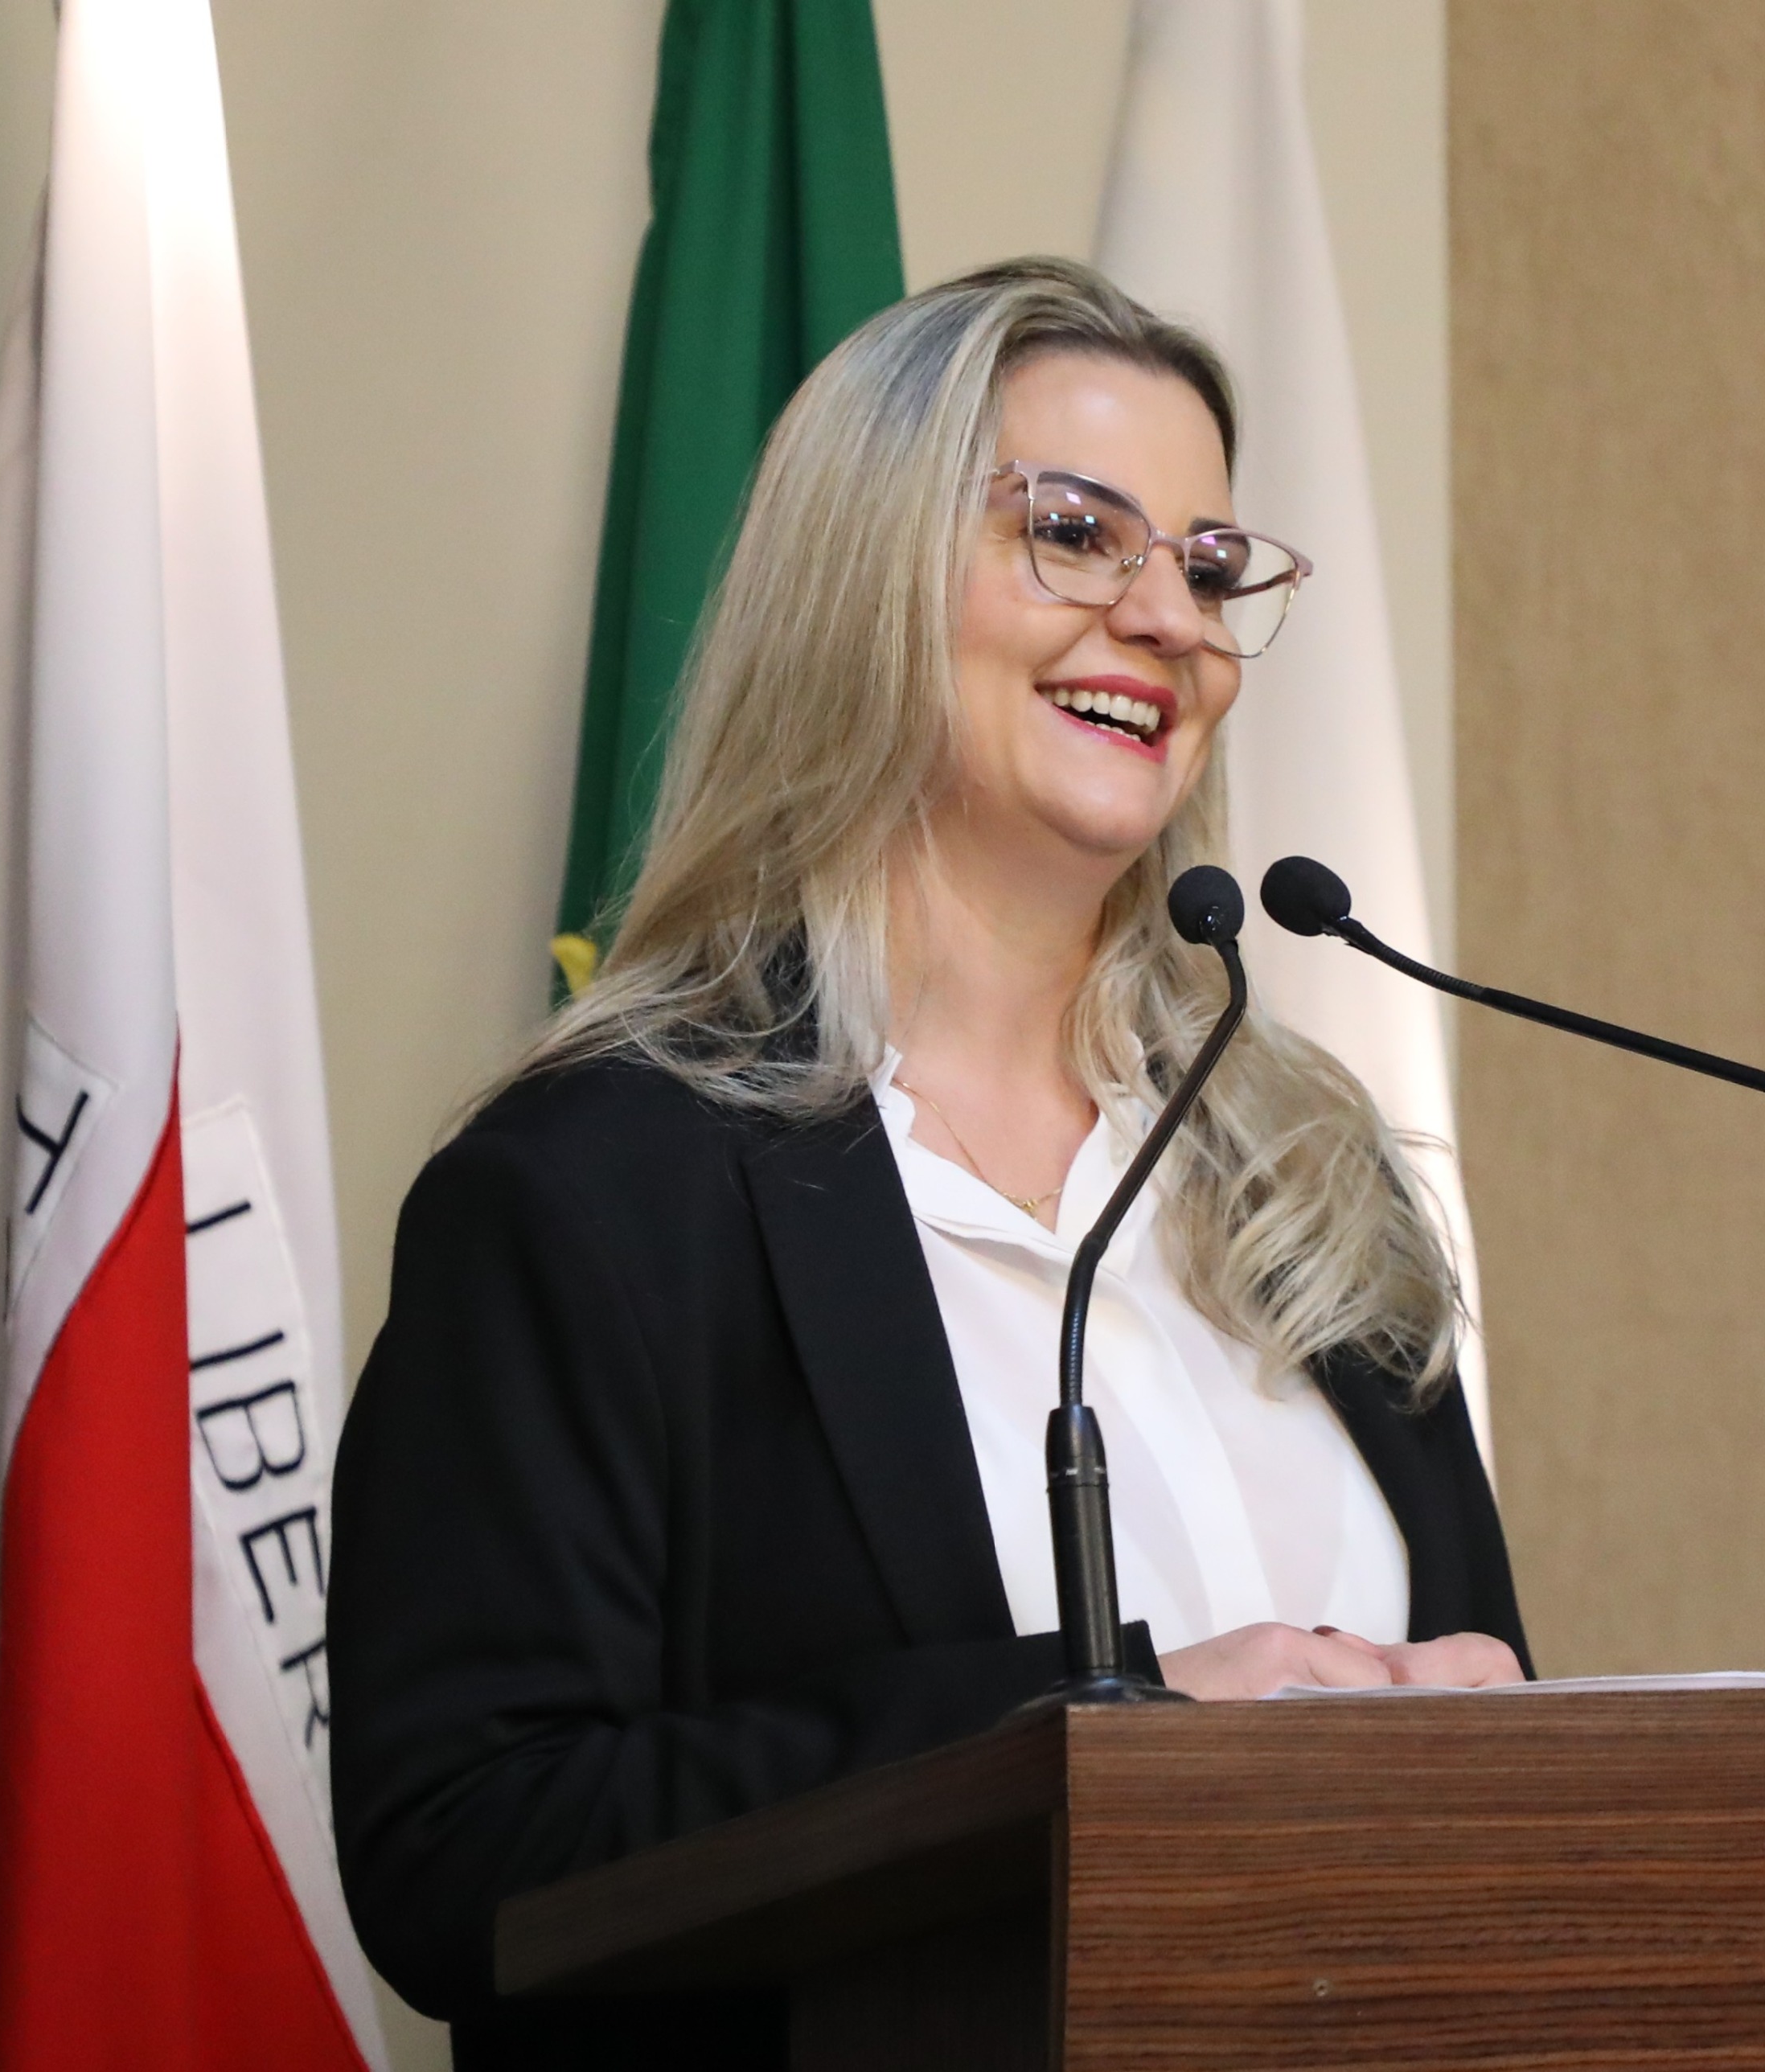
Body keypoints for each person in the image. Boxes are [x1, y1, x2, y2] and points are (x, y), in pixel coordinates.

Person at [329, 257, 1524, 2064]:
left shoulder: (1305, 1171)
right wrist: (1100, 1725)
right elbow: (461, 1845)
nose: (1169, 619)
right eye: (1077, 534)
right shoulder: (597, 1188)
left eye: (1210, 567)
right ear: (866, 582)